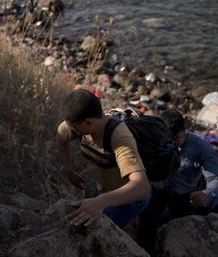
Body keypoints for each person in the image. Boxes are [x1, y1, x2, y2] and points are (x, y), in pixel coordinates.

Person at [55, 89, 151, 229]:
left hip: (127, 201)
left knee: (107, 232)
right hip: (102, 190)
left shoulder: (119, 137)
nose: (71, 129)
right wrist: (68, 170)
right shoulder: (78, 123)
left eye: (74, 127)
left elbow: (142, 186)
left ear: (88, 122)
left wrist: (101, 202)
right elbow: (59, 137)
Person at [138, 109, 218, 255]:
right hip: (155, 193)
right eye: (167, 140)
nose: (171, 145)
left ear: (185, 130)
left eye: (176, 139)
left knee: (175, 237)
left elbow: (216, 180)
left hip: (182, 200)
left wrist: (208, 194)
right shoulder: (156, 138)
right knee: (145, 230)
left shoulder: (202, 148)